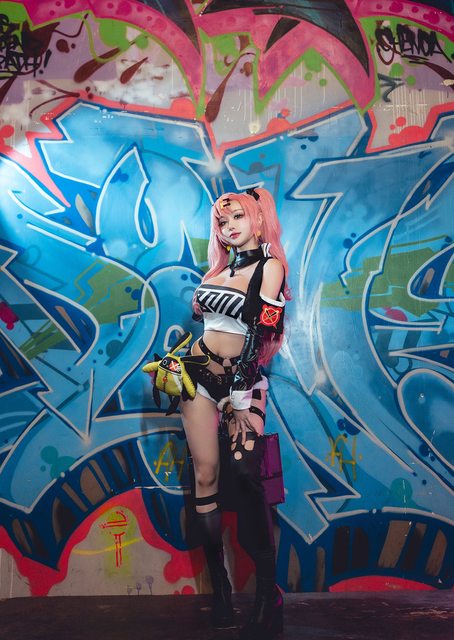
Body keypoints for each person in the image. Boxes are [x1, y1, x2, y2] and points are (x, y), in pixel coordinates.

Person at [180, 187, 290, 640]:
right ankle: (221, 591)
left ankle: (268, 594)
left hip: (243, 383)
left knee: (245, 474)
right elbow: (210, 325)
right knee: (205, 475)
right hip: (197, 378)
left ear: (259, 220)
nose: (228, 227)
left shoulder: (271, 267)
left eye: (237, 217)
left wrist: (241, 393)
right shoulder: (217, 270)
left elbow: (264, 331)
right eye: (222, 222)